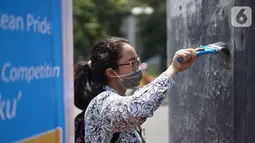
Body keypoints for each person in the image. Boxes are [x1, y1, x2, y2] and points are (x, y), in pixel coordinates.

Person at [74, 37, 201, 143]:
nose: (138, 68)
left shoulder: (118, 99)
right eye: (132, 63)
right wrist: (173, 69)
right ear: (111, 72)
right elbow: (139, 107)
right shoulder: (102, 103)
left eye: (137, 61)